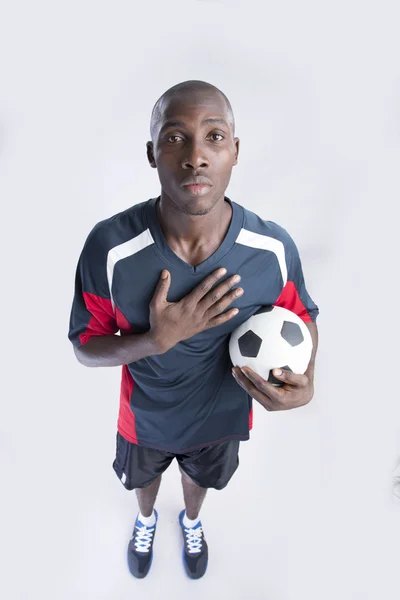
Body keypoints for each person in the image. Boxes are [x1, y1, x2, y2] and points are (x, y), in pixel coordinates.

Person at [68, 80, 320, 580]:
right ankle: (145, 520)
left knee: (198, 480)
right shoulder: (111, 248)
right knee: (144, 483)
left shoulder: (270, 248)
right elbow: (83, 346)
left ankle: (192, 520)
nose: (196, 157)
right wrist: (154, 341)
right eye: (175, 137)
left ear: (236, 151)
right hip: (144, 418)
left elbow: (303, 315)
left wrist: (308, 380)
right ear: (151, 153)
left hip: (221, 418)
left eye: (215, 136)